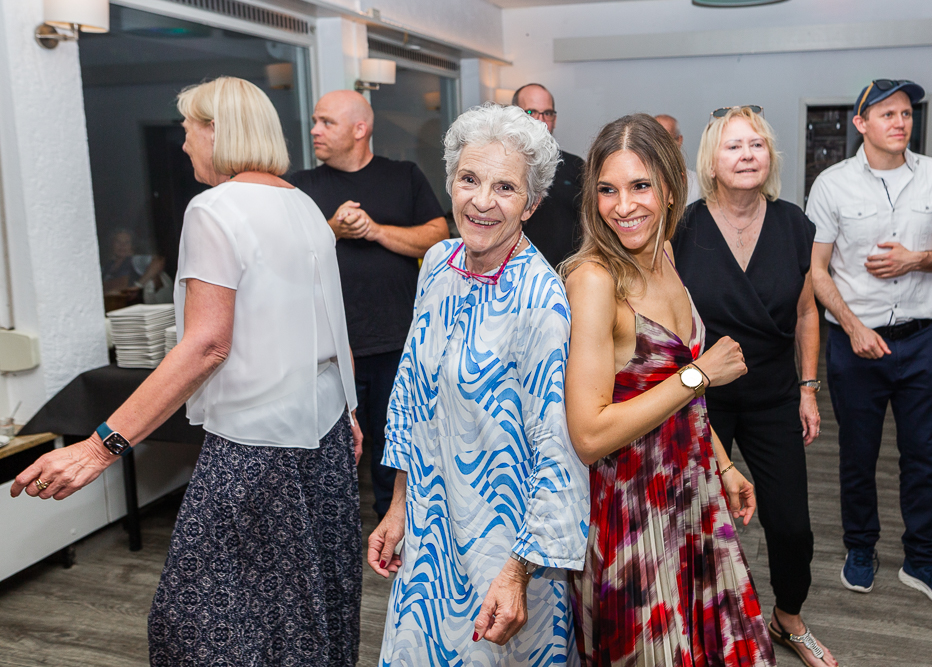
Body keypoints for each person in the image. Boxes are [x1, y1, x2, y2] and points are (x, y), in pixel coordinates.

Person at [11, 77, 365, 664]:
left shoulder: (215, 208)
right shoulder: (302, 203)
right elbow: (333, 324)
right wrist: (350, 409)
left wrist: (98, 449)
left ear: (215, 131)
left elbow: (206, 346)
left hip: (255, 445)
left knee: (196, 622)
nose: (182, 146)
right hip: (322, 432)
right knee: (303, 608)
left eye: (186, 130)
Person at [368, 103, 589, 666]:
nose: (482, 201)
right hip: (430, 529)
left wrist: (517, 573)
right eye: (469, 179)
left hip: (504, 547)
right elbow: (415, 400)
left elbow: (558, 452)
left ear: (532, 204)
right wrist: (399, 505)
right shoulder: (438, 264)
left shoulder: (542, 301)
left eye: (505, 187)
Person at [562, 113, 773, 666]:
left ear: (671, 187)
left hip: (690, 486)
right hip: (631, 512)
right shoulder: (594, 280)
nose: (623, 206)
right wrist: (701, 373)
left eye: (640, 186)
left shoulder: (666, 256)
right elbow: (588, 434)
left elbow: (674, 395)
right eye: (607, 189)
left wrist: (723, 466)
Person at [673, 106, 836, 667]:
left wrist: (808, 388)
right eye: (734, 146)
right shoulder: (682, 227)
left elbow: (807, 311)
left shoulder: (794, 223)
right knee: (696, 519)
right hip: (700, 395)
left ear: (770, 157)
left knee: (792, 524)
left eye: (757, 145)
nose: (747, 155)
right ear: (712, 161)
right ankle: (695, 624)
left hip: (773, 392)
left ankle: (788, 620)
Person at [806, 79, 932, 613]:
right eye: (887, 114)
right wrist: (852, 327)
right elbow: (816, 269)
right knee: (858, 456)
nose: (900, 122)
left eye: (906, 113)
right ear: (861, 124)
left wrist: (916, 259)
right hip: (856, 345)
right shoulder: (831, 185)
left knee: (923, 457)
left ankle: (922, 560)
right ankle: (861, 548)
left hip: (923, 342)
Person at [287, 90, 448, 521]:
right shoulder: (301, 186)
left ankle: (393, 529)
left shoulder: (404, 175)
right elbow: (285, 256)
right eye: (315, 121)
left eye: (326, 122)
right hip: (330, 351)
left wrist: (376, 231)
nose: (314, 130)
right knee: (330, 452)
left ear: (360, 129)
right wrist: (333, 230)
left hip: (398, 341)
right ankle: (332, 538)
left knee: (393, 449)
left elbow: (437, 234)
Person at [512, 83, 585, 267]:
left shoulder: (576, 166)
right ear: (514, 115)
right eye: (531, 112)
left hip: (568, 279)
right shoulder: (502, 167)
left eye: (548, 113)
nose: (541, 120)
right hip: (515, 279)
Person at [655, 113, 701, 204]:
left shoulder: (698, 185)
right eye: (655, 140)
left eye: (667, 140)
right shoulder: (639, 183)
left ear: (679, 141)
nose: (661, 147)